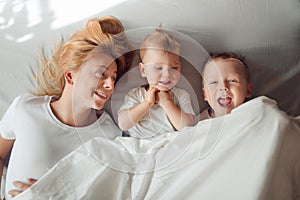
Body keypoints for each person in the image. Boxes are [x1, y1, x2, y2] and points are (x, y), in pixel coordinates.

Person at [0, 16, 133, 200]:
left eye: (113, 77)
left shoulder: (110, 135)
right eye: (101, 74)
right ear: (70, 77)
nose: (110, 84)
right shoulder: (25, 110)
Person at [117, 29, 195, 138]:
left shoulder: (181, 95)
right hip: (138, 144)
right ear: (143, 70)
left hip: (169, 144)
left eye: (174, 68)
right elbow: (123, 124)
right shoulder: (136, 95)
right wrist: (146, 104)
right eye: (158, 68)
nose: (167, 74)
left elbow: (187, 127)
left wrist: (167, 103)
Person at [198, 52, 252, 120]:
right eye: (214, 82)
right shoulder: (198, 122)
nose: (223, 87)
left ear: (248, 90)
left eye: (232, 80)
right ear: (205, 94)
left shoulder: (253, 114)